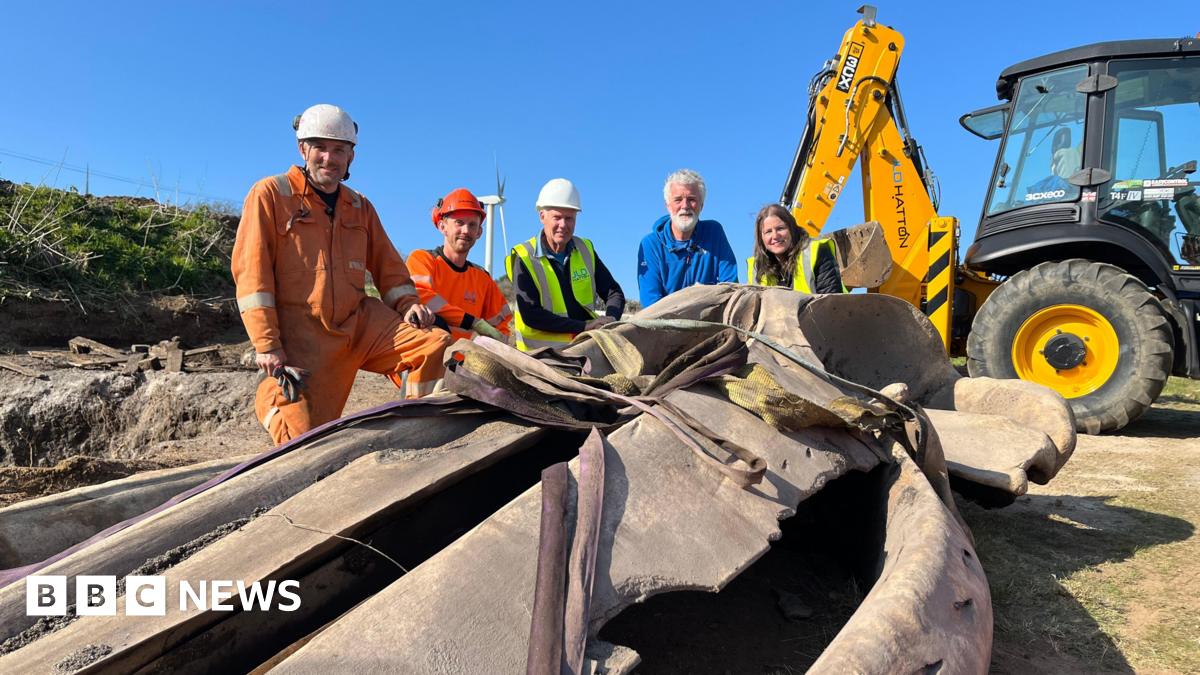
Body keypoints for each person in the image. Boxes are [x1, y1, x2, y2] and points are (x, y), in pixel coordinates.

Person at [232, 103, 451, 444]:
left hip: (359, 324)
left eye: (339, 150)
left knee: (432, 343)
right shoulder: (271, 195)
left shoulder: (360, 207)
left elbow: (388, 267)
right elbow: (252, 275)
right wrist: (267, 344)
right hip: (304, 337)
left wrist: (407, 303)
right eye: (320, 148)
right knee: (301, 442)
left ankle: (419, 433)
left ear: (351, 157)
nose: (329, 159)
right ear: (302, 149)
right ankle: (270, 398)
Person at [506, 178, 625, 351]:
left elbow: (614, 292)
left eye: (569, 218)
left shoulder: (585, 249)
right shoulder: (524, 256)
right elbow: (531, 315)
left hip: (584, 349)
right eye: (557, 217)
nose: (563, 225)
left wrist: (610, 320)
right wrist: (583, 327)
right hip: (540, 356)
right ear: (542, 216)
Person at [406, 188, 512, 342]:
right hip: (424, 358)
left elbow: (502, 324)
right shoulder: (422, 260)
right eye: (459, 223)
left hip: (462, 362)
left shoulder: (482, 279)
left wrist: (501, 346)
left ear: (479, 232)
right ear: (443, 227)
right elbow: (422, 297)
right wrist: (473, 322)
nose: (466, 230)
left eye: (472, 225)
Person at [637, 168, 739, 307]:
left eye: (691, 199)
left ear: (701, 205)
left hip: (710, 322)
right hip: (664, 324)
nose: (685, 206)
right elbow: (651, 303)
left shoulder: (715, 233)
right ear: (668, 206)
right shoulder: (651, 245)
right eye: (678, 199)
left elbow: (731, 287)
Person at [747, 204, 846, 294]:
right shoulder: (756, 267)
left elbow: (831, 303)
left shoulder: (816, 251)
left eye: (780, 228)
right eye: (768, 231)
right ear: (761, 238)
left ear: (792, 229)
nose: (775, 235)